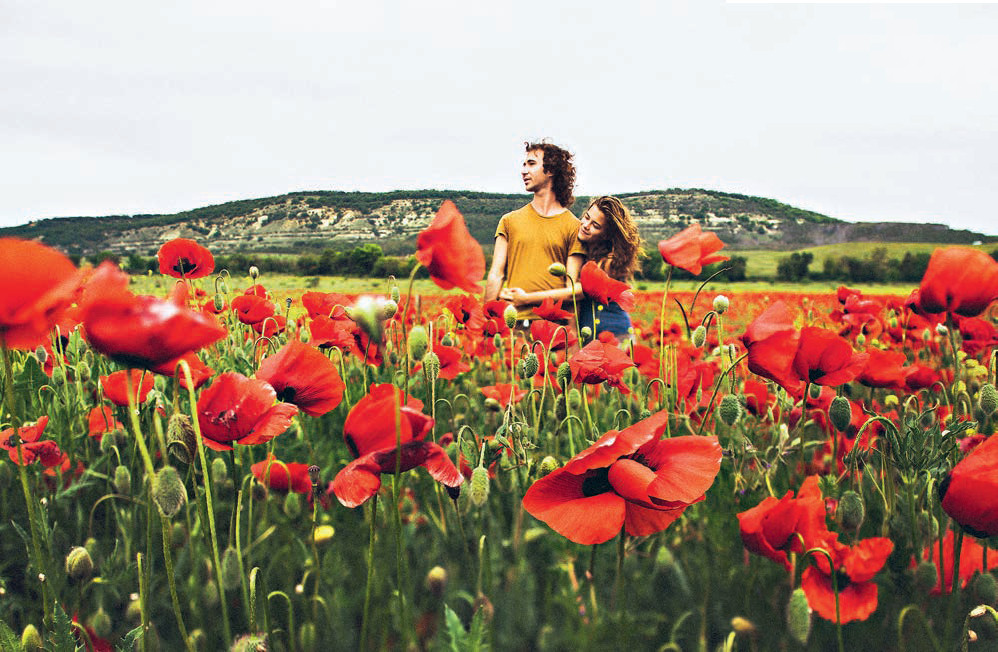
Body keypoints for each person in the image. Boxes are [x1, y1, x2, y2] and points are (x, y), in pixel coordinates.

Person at [503, 195, 643, 342]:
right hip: (589, 335)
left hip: (615, 334)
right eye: (586, 217)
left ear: (607, 235)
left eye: (595, 225)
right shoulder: (585, 253)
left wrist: (525, 298)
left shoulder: (609, 261)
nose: (586, 225)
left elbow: (575, 294)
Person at [485, 142, 584, 323]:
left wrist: (526, 299)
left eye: (531, 164)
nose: (523, 171)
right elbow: (495, 275)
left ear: (551, 170)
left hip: (554, 326)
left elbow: (573, 291)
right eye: (524, 165)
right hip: (514, 324)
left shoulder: (574, 227)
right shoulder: (509, 221)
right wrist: (487, 322)